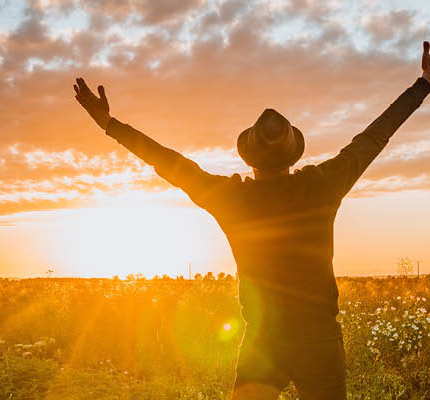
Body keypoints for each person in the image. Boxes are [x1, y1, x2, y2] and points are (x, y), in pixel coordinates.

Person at [73, 41, 430, 399]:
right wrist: (423, 85)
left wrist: (110, 124)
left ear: (250, 158)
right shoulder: (321, 186)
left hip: (263, 340)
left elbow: (170, 163)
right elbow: (373, 137)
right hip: (318, 342)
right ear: (292, 154)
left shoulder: (233, 200)